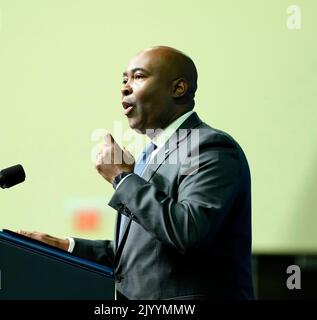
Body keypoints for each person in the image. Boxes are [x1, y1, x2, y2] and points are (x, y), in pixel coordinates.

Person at [19, 46, 254, 299]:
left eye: (138, 77)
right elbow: (141, 256)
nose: (125, 87)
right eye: (124, 79)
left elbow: (187, 232)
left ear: (178, 88)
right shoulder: (149, 155)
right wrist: (65, 246)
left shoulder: (209, 147)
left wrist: (122, 177)